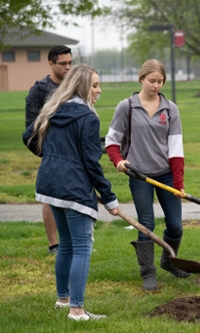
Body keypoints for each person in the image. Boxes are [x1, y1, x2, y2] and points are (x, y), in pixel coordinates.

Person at [23, 64, 119, 321]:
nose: (99, 90)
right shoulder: (88, 117)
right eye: (95, 85)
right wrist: (109, 197)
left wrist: (55, 158)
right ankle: (77, 310)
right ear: (82, 86)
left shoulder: (54, 108)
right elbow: (91, 162)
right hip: (74, 188)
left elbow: (28, 136)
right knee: (81, 247)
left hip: (50, 184)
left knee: (65, 245)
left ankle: (62, 299)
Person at [105, 59, 189, 291]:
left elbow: (176, 148)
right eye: (152, 81)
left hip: (166, 175)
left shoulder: (170, 109)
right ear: (141, 79)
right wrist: (118, 160)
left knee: (175, 226)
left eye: (160, 81)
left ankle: (168, 261)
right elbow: (112, 141)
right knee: (146, 224)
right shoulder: (127, 107)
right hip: (139, 175)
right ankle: (148, 272)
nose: (156, 85)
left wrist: (179, 181)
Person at [25, 45, 73, 254]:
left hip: (75, 153)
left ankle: (74, 243)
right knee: (51, 197)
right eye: (63, 64)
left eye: (70, 63)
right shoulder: (39, 90)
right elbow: (30, 130)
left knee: (74, 198)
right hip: (52, 153)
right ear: (51, 64)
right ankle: (54, 245)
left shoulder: (76, 86)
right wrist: (47, 154)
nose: (68, 67)